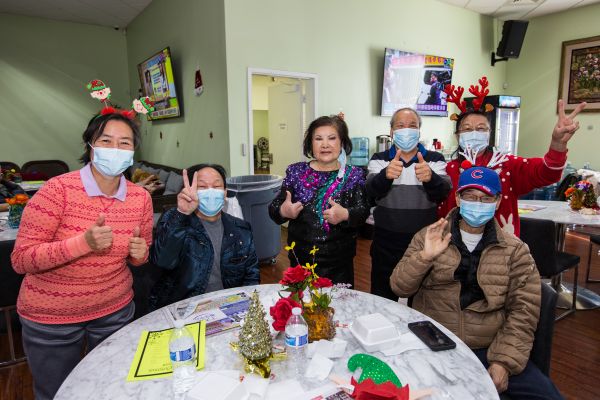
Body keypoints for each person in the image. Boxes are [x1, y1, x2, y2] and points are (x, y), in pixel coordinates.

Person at [11, 111, 153, 400]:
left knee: (116, 387)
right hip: (51, 320)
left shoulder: (141, 198)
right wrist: (82, 243)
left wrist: (140, 255)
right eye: (106, 140)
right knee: (57, 393)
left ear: (133, 151)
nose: (115, 149)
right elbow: (21, 259)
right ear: (90, 145)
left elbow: (138, 256)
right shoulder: (57, 190)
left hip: (114, 312)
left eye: (124, 143)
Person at [391, 167, 564, 400]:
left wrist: (503, 361)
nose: (477, 203)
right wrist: (425, 257)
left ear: (498, 201)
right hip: (436, 341)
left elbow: (524, 311)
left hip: (489, 347)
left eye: (485, 198)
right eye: (470, 197)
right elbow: (400, 287)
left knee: (548, 396)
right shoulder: (429, 236)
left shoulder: (515, 251)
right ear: (458, 198)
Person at [438, 76, 587, 236]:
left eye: (481, 128)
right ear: (457, 136)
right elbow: (440, 212)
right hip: (455, 247)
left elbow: (546, 174)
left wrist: (557, 143)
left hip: (501, 248)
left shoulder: (508, 165)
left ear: (489, 134)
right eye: (467, 129)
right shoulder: (447, 170)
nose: (474, 133)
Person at [269, 115, 369, 286]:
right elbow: (275, 208)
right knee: (301, 308)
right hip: (301, 260)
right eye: (318, 139)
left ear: (342, 143)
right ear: (310, 144)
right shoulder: (296, 172)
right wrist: (283, 211)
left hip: (340, 263)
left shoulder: (354, 175)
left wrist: (345, 214)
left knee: (339, 310)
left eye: (332, 138)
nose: (325, 144)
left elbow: (363, 211)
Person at [367, 107, 451, 300]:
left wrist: (431, 178)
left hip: (422, 243)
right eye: (400, 125)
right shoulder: (379, 159)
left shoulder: (434, 159)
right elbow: (371, 192)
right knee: (382, 296)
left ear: (419, 130)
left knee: (421, 298)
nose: (406, 130)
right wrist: (385, 176)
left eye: (412, 126)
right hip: (385, 242)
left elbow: (443, 193)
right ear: (391, 131)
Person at [149, 163, 259, 310]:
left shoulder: (241, 229)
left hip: (229, 306)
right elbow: (163, 261)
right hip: (185, 309)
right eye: (202, 187)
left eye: (216, 186)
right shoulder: (175, 220)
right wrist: (182, 213)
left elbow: (251, 275)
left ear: (225, 192)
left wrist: (246, 307)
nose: (210, 191)